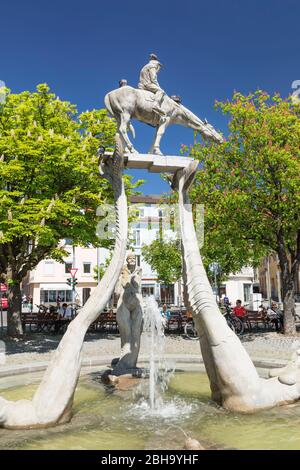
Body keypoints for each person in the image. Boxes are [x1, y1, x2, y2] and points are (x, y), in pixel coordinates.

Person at [138, 53, 165, 117]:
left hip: (141, 85)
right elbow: (153, 78)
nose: (158, 70)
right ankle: (156, 105)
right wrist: (158, 86)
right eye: (159, 68)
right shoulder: (153, 66)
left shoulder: (146, 66)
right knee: (161, 91)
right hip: (147, 84)